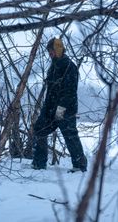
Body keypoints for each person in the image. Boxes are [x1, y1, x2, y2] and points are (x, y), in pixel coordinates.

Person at [32, 38, 87, 172]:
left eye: (52, 51)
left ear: (59, 49)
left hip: (65, 109)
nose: (50, 54)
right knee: (39, 127)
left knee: (69, 134)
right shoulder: (53, 66)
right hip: (50, 109)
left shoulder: (69, 66)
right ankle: (39, 164)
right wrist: (46, 109)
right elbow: (51, 90)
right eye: (49, 52)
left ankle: (80, 166)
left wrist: (60, 111)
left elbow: (69, 92)